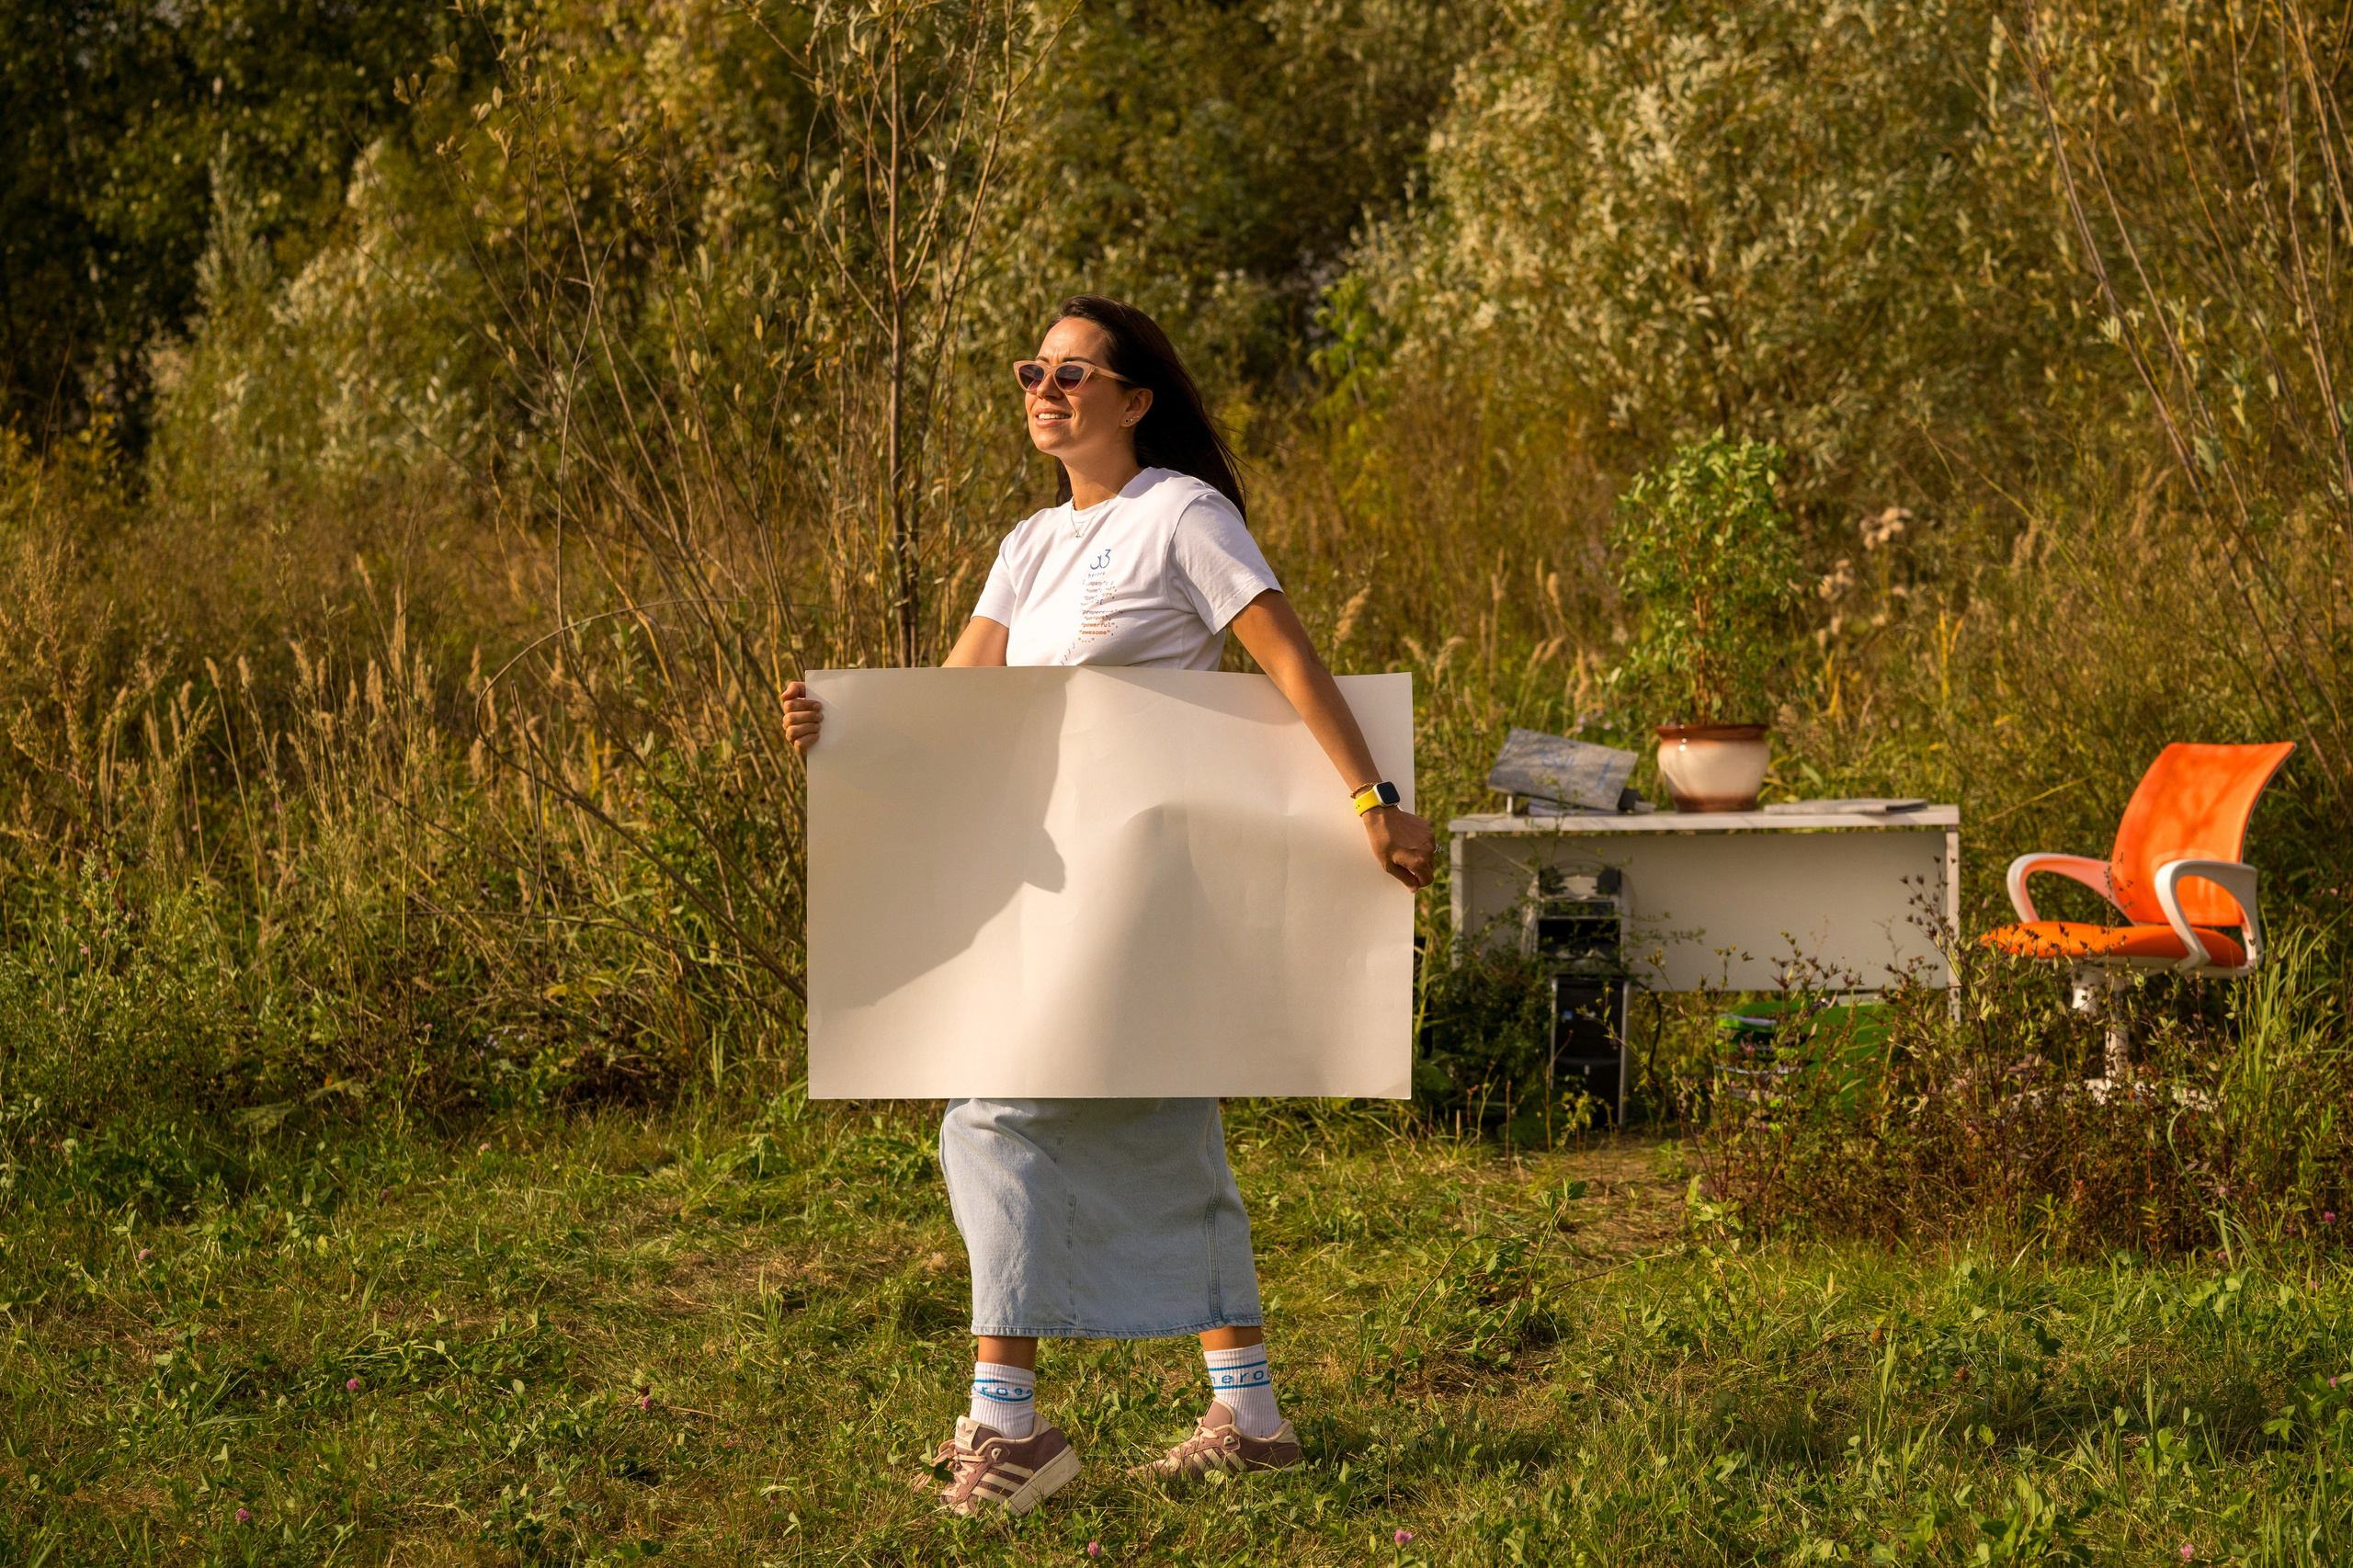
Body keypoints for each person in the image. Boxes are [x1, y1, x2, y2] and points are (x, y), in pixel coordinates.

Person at [782, 295, 1437, 1517]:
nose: (1046, 388)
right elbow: (959, 710)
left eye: (1075, 373)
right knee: (1167, 1127)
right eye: (1035, 370)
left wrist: (1373, 799)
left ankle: (1008, 1431)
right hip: (1044, 892)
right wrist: (850, 734)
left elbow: (1287, 656)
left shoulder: (1183, 516)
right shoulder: (1029, 544)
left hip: (1135, 895)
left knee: (997, 1116)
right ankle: (1249, 1413)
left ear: (1136, 400)